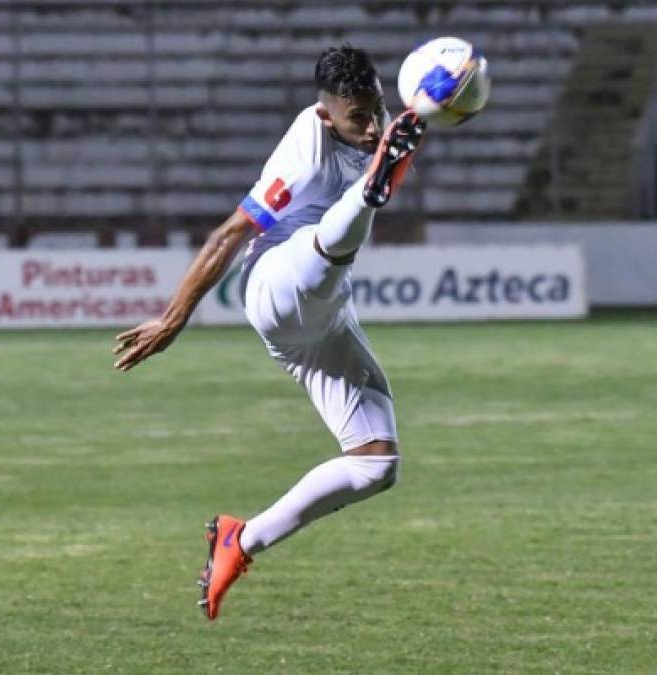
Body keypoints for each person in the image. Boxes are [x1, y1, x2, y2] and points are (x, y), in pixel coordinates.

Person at [111, 45, 426, 620]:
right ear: (326, 114)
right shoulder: (305, 157)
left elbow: (391, 146)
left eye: (377, 109)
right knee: (333, 237)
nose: (373, 124)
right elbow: (229, 234)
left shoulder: (376, 133)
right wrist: (174, 317)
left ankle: (241, 539)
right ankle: (364, 198)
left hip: (324, 310)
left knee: (376, 464)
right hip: (278, 283)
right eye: (358, 117)